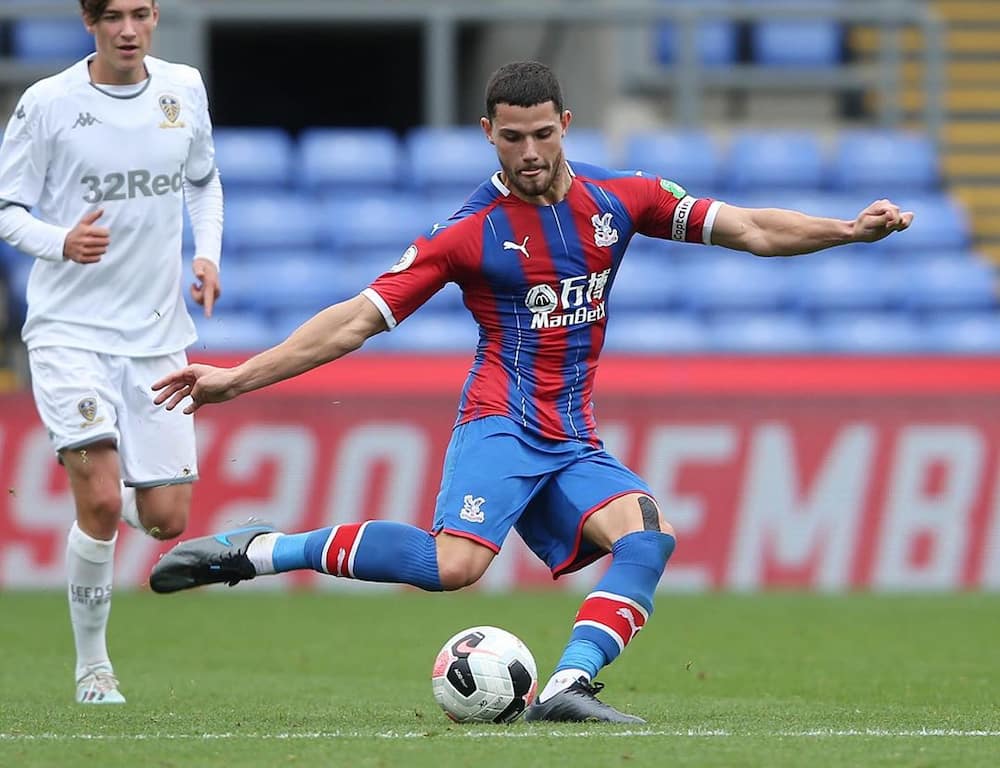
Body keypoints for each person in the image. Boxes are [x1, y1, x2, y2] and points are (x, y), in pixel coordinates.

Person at [148, 61, 911, 722]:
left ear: (565, 125)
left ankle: (570, 684)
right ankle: (263, 549)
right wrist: (236, 378)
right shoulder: (467, 231)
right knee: (454, 570)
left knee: (649, 534)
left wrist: (848, 231)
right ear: (488, 133)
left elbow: (749, 228)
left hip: (572, 434)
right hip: (502, 424)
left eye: (543, 134)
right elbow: (354, 321)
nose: (530, 151)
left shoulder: (623, 201)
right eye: (512, 138)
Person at [0, 0, 223, 704]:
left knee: (167, 519)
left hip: (157, 334)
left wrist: (208, 255)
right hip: (70, 331)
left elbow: (202, 180)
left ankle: (110, 499)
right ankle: (93, 667)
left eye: (141, 13)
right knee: (99, 500)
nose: (129, 29)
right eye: (114, 16)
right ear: (89, 22)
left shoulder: (182, 87)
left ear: (155, 18)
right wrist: (59, 240)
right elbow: (7, 210)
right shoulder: (49, 103)